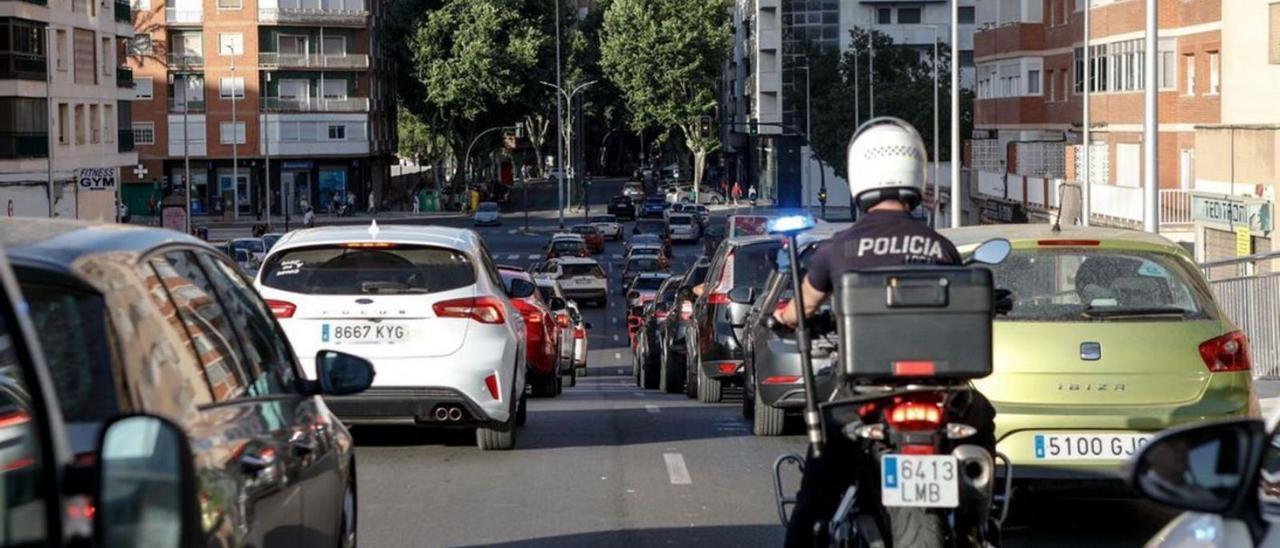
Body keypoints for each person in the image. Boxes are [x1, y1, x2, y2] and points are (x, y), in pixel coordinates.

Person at [773, 117, 995, 547]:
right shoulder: (939, 246)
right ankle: (977, 521)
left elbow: (801, 308)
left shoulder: (838, 247)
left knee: (818, 490)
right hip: (940, 394)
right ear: (916, 174)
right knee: (983, 416)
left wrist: (782, 317)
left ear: (860, 177)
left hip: (866, 395)